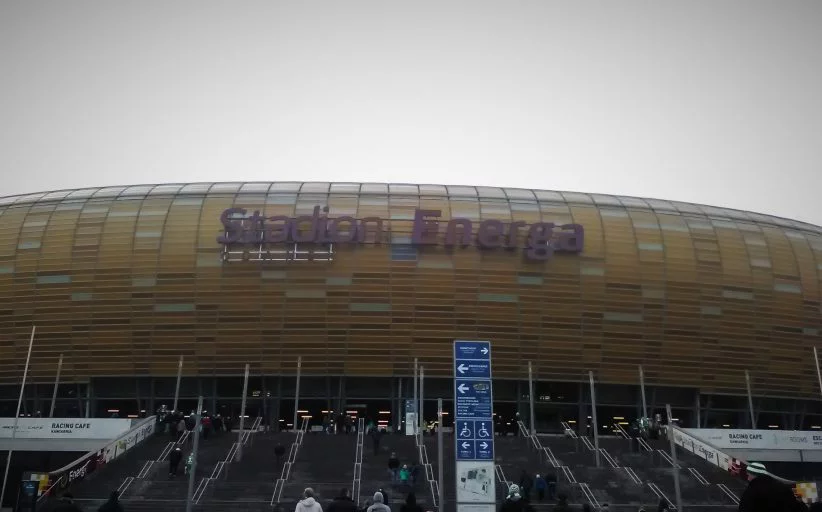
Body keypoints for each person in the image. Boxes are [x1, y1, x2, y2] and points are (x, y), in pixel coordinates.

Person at [738, 462, 806, 512]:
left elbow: (744, 508)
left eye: (748, 475)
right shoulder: (783, 488)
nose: (748, 478)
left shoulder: (752, 491)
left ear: (754, 475)